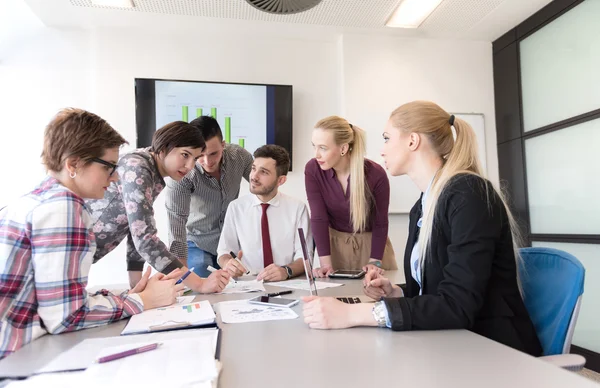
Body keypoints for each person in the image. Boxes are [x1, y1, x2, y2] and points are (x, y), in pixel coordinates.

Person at [302, 101, 542, 356]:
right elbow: (437, 289)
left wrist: (353, 313)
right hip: (448, 342)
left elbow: (458, 305)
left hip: (490, 350)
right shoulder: (424, 205)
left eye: (386, 138)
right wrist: (396, 292)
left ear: (412, 141)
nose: (381, 150)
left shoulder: (469, 195)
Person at [0, 108, 184, 360]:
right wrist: (142, 301)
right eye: (109, 166)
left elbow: (56, 301)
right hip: (15, 356)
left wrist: (130, 297)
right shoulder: (62, 207)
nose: (116, 175)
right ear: (73, 164)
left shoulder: (39, 199)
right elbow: (65, 317)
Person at [87, 121, 230, 293]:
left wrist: (136, 285)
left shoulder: (151, 169)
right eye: (185, 155)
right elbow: (145, 238)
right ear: (163, 148)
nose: (190, 166)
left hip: (83, 255)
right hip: (69, 252)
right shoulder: (138, 168)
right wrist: (198, 283)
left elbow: (136, 229)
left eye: (195, 158)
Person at [305, 116, 396, 277]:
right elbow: (319, 218)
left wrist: (375, 262)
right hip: (335, 249)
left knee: (375, 297)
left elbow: (380, 222)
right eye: (314, 146)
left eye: (323, 148)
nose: (316, 154)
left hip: (373, 248)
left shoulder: (375, 174)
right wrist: (325, 264)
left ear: (343, 148)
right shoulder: (313, 169)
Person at [165, 116, 253, 278]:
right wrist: (183, 278)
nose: (207, 161)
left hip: (230, 242)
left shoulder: (240, 157)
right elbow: (176, 228)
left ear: (223, 145)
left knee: (248, 283)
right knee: (200, 282)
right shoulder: (182, 175)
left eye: (214, 153)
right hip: (196, 242)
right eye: (200, 155)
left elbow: (261, 188)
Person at [217, 145, 311, 281]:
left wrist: (286, 271)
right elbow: (224, 251)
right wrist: (228, 263)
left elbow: (305, 257)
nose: (254, 176)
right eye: (253, 168)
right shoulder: (236, 207)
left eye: (264, 172)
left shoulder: (298, 208)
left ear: (281, 180)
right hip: (247, 284)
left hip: (286, 283)